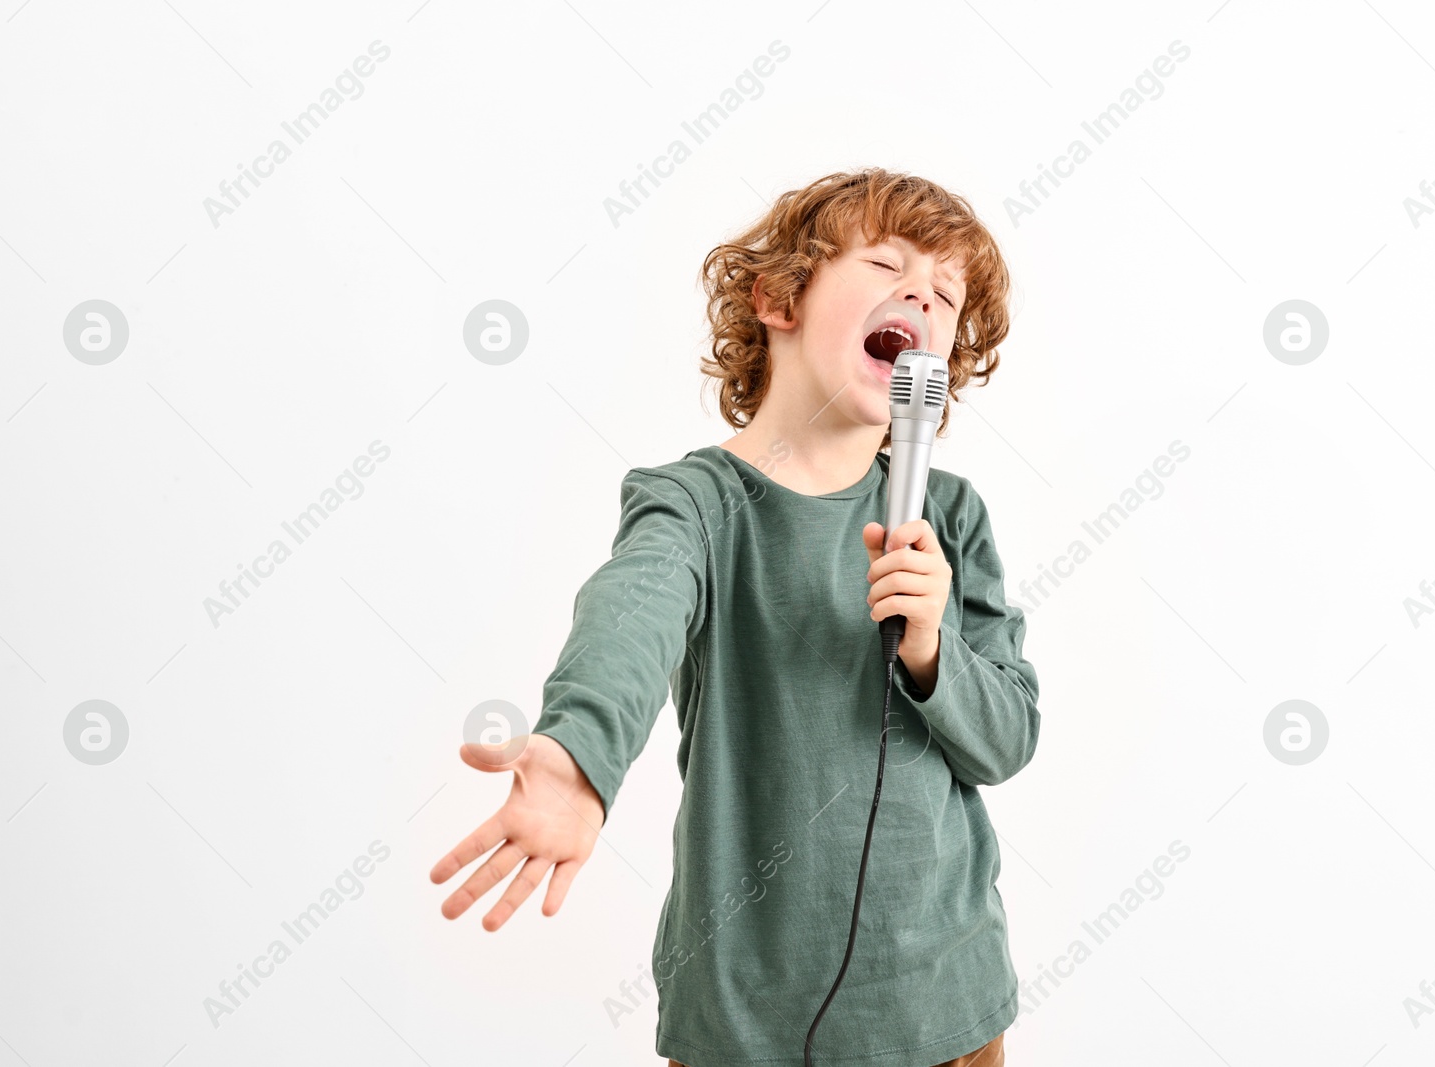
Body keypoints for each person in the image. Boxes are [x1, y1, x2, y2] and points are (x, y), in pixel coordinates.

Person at [430, 168, 1040, 1067]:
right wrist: (578, 751)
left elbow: (1010, 735)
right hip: (742, 1025)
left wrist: (928, 647)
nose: (924, 293)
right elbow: (632, 610)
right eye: (887, 263)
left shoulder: (950, 519)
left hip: (945, 1013)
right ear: (777, 298)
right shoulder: (695, 504)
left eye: (946, 295)